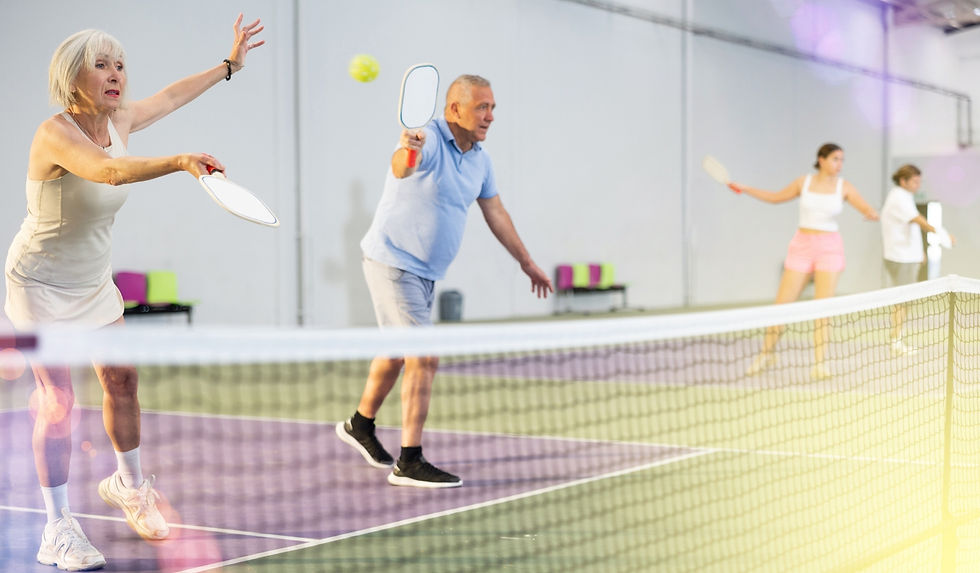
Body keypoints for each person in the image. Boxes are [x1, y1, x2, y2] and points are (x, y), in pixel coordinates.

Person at [5, 16, 264, 571]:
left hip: (92, 282)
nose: (115, 74)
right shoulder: (55, 132)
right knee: (58, 404)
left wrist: (229, 66)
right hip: (39, 285)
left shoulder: (119, 118)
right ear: (72, 79)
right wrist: (179, 162)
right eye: (101, 65)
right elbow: (109, 172)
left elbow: (170, 96)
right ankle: (57, 527)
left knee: (122, 379)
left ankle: (129, 485)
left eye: (119, 64)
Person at [336, 74, 553, 488]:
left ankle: (359, 425)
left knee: (398, 351)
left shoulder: (480, 159)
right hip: (392, 261)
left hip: (425, 272)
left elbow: (496, 213)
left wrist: (526, 262)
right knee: (425, 354)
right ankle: (409, 460)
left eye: (492, 108)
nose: (490, 116)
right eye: (481, 107)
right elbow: (401, 167)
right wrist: (408, 151)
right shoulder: (428, 137)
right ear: (454, 109)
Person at [729, 143, 879, 380]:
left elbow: (864, 207)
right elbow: (775, 197)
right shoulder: (804, 183)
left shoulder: (844, 187)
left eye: (842, 160)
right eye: (835, 159)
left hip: (829, 248)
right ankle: (766, 354)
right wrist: (746, 188)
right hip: (801, 246)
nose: (839, 164)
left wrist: (870, 212)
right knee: (782, 306)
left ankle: (819, 363)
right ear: (821, 159)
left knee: (823, 308)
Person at [881, 164, 952, 356]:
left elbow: (910, 227)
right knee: (902, 301)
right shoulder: (898, 197)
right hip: (900, 258)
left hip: (908, 256)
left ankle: (897, 339)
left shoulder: (905, 197)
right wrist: (943, 235)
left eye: (919, 181)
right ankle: (896, 342)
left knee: (905, 300)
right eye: (915, 181)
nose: (918, 185)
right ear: (903, 181)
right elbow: (918, 221)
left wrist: (919, 252)